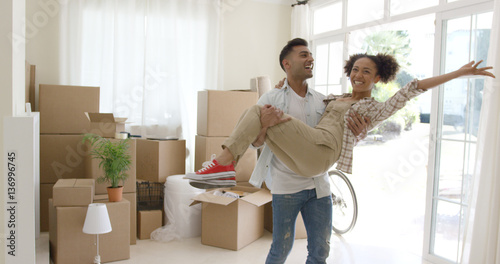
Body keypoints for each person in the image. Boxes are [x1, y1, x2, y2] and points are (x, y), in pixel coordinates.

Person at [189, 38, 369, 264]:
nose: (310, 59)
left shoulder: (324, 101)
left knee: (320, 250)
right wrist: (265, 125)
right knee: (281, 248)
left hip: (318, 186)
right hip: (286, 186)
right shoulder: (271, 99)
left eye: (310, 55)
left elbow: (334, 138)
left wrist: (360, 134)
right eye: (303, 55)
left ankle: (223, 165)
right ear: (287, 63)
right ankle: (224, 164)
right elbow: (256, 143)